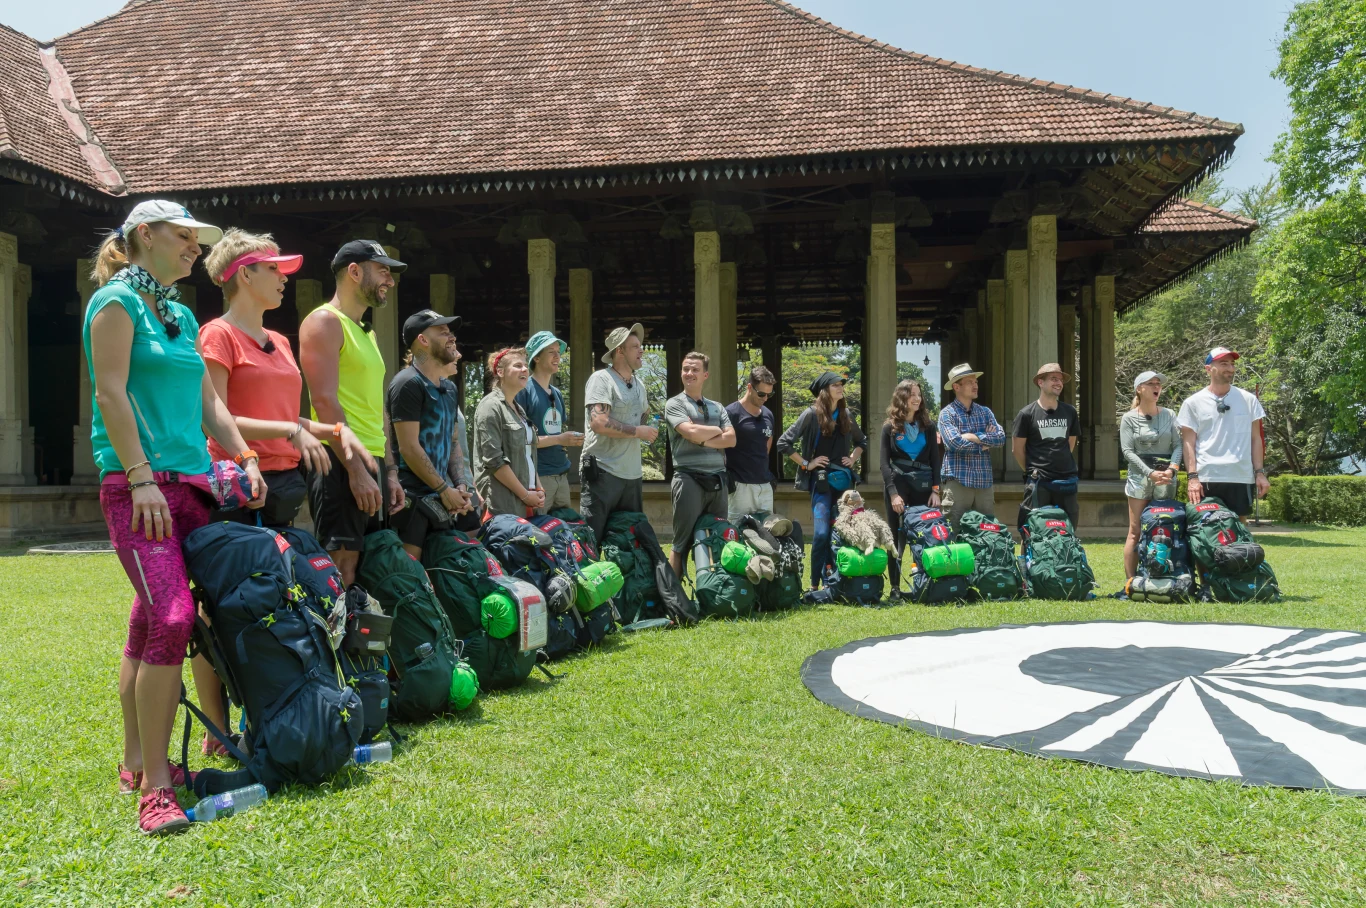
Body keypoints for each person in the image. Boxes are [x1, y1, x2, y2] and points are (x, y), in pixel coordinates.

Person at [85, 201, 263, 835]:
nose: (194, 247)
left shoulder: (183, 314)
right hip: (140, 489)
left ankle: (137, 759)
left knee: (149, 617)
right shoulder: (114, 303)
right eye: (183, 236)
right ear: (144, 237)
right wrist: (139, 479)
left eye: (197, 238)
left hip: (195, 486)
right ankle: (157, 789)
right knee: (173, 614)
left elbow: (207, 398)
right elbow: (110, 392)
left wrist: (242, 453)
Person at [201, 230, 369, 528]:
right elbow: (214, 419)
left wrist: (337, 431)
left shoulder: (280, 341)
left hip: (284, 486)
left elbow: (285, 420)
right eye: (273, 268)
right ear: (245, 275)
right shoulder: (217, 334)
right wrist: (291, 430)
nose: (284, 278)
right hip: (239, 484)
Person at [298, 240, 405, 586]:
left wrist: (388, 470)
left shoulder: (367, 333)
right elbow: (325, 401)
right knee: (340, 568)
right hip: (338, 461)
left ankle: (363, 640)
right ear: (355, 272)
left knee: (370, 563)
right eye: (383, 270)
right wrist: (356, 470)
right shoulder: (325, 322)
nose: (390, 280)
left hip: (370, 461)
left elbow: (377, 410)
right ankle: (331, 640)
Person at [386, 310, 473, 556]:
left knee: (444, 569)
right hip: (411, 497)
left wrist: (460, 486)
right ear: (423, 340)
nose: (451, 338)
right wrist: (445, 490)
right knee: (411, 575)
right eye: (443, 332)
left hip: (442, 495)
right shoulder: (407, 383)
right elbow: (409, 448)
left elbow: (453, 441)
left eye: (450, 332)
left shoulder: (448, 387)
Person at [776, 371, 866, 590]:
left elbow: (862, 441)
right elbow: (783, 443)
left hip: (844, 484)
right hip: (821, 482)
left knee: (844, 530)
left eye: (841, 384)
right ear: (824, 390)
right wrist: (808, 463)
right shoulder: (811, 414)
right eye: (835, 385)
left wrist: (852, 458)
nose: (840, 387)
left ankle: (839, 579)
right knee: (822, 534)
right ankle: (815, 583)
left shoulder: (846, 414)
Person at [580, 323, 656, 543]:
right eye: (635, 346)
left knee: (628, 542)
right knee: (593, 541)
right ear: (620, 351)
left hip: (631, 474)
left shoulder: (639, 384)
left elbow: (644, 413)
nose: (641, 350)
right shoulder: (601, 379)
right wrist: (637, 431)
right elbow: (599, 422)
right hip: (602, 472)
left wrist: (644, 427)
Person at [665, 351, 736, 575]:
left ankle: (714, 592)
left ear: (706, 375)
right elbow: (690, 432)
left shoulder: (717, 406)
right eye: (686, 369)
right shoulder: (674, 404)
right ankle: (673, 598)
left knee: (717, 535)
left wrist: (701, 437)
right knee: (681, 543)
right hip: (688, 479)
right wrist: (716, 432)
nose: (689, 373)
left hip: (718, 480)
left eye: (695, 369)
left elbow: (732, 439)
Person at [1178, 346, 1269, 520]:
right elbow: (1188, 442)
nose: (1230, 368)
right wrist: (1192, 477)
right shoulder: (1193, 402)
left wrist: (1260, 473)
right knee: (1206, 529)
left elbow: (1256, 439)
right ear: (1208, 369)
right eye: (1223, 363)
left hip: (1240, 476)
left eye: (1232, 364)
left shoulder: (1248, 400)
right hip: (1207, 477)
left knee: (1239, 531)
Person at [879, 378, 941, 597]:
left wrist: (936, 490)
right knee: (896, 539)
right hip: (898, 487)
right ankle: (895, 587)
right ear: (902, 398)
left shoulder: (928, 425)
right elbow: (884, 465)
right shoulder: (890, 427)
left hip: (923, 487)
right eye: (912, 394)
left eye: (919, 394)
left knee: (923, 535)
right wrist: (893, 494)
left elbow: (935, 459)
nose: (917, 398)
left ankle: (923, 583)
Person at [1121, 370, 1182, 580]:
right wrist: (1149, 473)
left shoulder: (1170, 415)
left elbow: (1178, 445)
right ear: (1140, 389)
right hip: (1139, 477)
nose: (1157, 386)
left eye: (1159, 383)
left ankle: (1162, 574)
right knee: (1135, 530)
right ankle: (1131, 581)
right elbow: (1127, 451)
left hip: (1166, 476)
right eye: (1151, 383)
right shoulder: (1128, 418)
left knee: (1164, 526)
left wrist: (1171, 470)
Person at [517, 330, 583, 513]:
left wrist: (566, 440)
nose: (557, 356)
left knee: (562, 532)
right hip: (538, 477)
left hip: (561, 475)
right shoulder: (523, 392)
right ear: (536, 358)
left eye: (558, 352)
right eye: (551, 352)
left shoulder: (557, 394)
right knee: (540, 534)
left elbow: (555, 432)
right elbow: (521, 440)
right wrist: (561, 439)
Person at [474, 347, 542, 517]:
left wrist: (538, 487)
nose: (525, 369)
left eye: (526, 366)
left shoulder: (519, 409)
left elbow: (528, 454)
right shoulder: (490, 406)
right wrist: (525, 495)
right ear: (500, 372)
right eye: (518, 366)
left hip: (529, 496)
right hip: (503, 502)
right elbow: (494, 461)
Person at [1012, 363, 1081, 530]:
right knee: (1030, 528)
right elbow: (1017, 449)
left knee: (1069, 529)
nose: (1059, 383)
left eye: (1061, 380)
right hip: (1038, 482)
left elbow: (1070, 442)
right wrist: (1032, 470)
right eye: (1053, 379)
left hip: (1066, 480)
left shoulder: (1069, 411)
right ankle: (1026, 557)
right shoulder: (1026, 414)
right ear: (1040, 383)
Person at [937, 363, 1005, 530]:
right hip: (958, 482)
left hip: (984, 483)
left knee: (987, 533)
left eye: (976, 382)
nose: (975, 385)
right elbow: (954, 443)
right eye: (970, 382)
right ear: (956, 386)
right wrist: (984, 444)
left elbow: (1001, 438)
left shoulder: (985, 412)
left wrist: (974, 437)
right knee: (954, 532)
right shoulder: (947, 414)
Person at [725, 365, 777, 524]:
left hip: (764, 484)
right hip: (740, 486)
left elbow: (767, 445)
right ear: (749, 387)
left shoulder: (768, 414)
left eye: (770, 394)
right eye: (761, 393)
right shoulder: (731, 413)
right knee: (738, 533)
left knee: (768, 535)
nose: (765, 398)